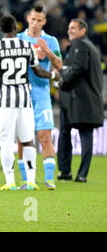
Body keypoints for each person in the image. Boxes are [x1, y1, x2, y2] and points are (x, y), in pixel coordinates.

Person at [0, 14, 59, 191]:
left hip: (4, 100)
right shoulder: (26, 46)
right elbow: (39, 71)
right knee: (27, 141)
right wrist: (53, 75)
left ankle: (10, 182)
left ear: (1, 30)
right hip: (24, 99)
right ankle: (31, 181)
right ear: (16, 29)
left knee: (6, 143)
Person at [16, 4, 62, 190]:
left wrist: (48, 53)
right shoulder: (18, 39)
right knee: (23, 139)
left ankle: (49, 179)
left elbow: (59, 66)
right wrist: (30, 55)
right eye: (33, 19)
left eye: (39, 20)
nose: (35, 23)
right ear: (28, 18)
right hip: (21, 92)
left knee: (45, 135)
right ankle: (27, 180)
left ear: (44, 22)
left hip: (42, 94)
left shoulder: (51, 41)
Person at [57, 19, 103, 182]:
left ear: (83, 30)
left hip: (78, 100)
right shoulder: (92, 47)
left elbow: (78, 67)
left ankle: (66, 171)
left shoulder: (80, 45)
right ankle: (80, 173)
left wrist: (62, 81)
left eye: (74, 28)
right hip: (86, 100)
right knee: (84, 135)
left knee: (67, 133)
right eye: (69, 28)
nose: (70, 31)